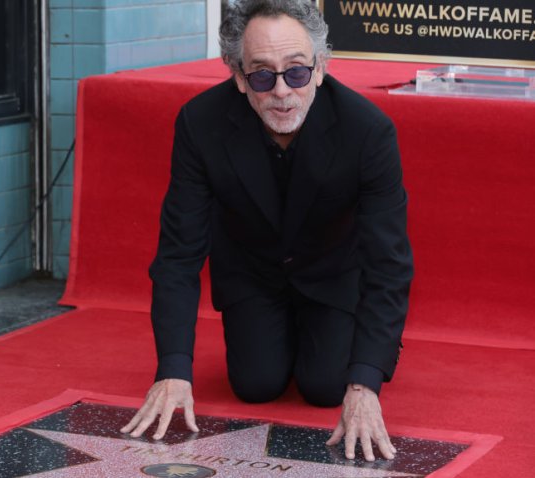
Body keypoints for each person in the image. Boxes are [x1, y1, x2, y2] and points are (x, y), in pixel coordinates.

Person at [121, 0, 414, 462]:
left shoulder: (368, 131)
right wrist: (173, 369)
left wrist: (365, 382)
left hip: (333, 274)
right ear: (239, 77)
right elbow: (179, 253)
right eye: (262, 75)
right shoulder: (200, 124)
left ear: (320, 69)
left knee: (325, 387)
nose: (281, 91)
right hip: (252, 273)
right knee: (255, 386)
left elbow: (389, 263)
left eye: (296, 72)